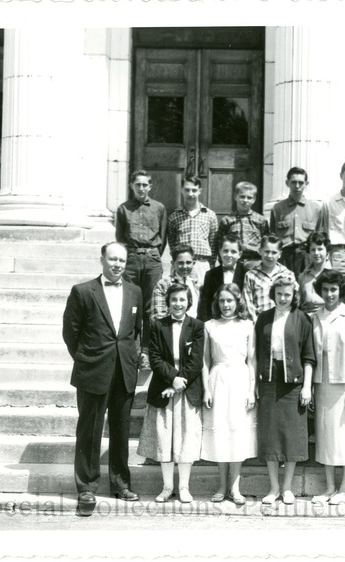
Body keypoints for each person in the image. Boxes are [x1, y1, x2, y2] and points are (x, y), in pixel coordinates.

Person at [62, 242, 143, 516]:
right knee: (90, 431)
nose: (117, 264)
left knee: (120, 432)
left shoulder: (135, 291)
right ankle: (86, 487)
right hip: (93, 370)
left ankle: (121, 483)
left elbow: (136, 331)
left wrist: (132, 358)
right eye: (112, 259)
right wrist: (86, 358)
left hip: (124, 371)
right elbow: (70, 333)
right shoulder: (83, 291)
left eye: (122, 260)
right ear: (102, 260)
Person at [137, 283, 205, 503]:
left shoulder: (196, 326)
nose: (178, 304)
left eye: (182, 300)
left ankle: (184, 487)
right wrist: (172, 379)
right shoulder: (158, 325)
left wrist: (179, 381)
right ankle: (167, 487)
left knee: (186, 439)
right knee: (165, 439)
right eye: (174, 299)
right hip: (163, 388)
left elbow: (196, 361)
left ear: (189, 302)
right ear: (168, 302)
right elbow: (155, 358)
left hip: (187, 390)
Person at [254, 277, 315, 505]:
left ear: (294, 295)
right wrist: (255, 386)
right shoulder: (264, 318)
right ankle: (273, 487)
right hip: (269, 380)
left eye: (287, 294)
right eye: (279, 294)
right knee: (270, 436)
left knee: (291, 436)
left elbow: (309, 356)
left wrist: (307, 386)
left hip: (293, 382)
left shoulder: (302, 319)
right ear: (273, 294)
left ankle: (287, 487)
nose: (283, 298)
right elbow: (256, 353)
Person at [311, 269, 345, 505]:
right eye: (325, 290)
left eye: (333, 289)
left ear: (340, 291)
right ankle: (330, 487)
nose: (330, 294)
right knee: (326, 437)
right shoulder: (315, 316)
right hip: (322, 384)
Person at [201, 283, 257, 506]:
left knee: (237, 433)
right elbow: (206, 359)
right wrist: (206, 388)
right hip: (218, 380)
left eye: (230, 301)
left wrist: (252, 390)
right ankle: (222, 485)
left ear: (237, 302)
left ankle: (235, 488)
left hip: (240, 380)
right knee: (221, 434)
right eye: (222, 301)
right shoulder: (210, 326)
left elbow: (252, 360)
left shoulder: (247, 325)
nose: (226, 305)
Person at [115, 170, 167, 369]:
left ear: (150, 186)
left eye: (145, 185)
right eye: (138, 185)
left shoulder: (159, 208)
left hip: (152, 259)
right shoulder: (123, 209)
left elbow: (163, 237)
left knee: (150, 306)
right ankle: (131, 350)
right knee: (130, 305)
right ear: (131, 186)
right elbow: (120, 238)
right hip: (131, 259)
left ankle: (146, 351)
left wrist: (152, 255)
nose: (142, 188)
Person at [270, 166, 323, 277]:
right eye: (293, 182)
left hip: (306, 257)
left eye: (301, 182)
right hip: (284, 256)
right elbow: (273, 236)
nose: (297, 186)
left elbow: (318, 237)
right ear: (287, 183)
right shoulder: (277, 208)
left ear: (306, 184)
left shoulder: (315, 209)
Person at [167, 174, 219, 285]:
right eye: (187, 190)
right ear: (181, 190)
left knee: (202, 297)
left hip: (201, 263)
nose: (191, 194)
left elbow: (214, 243)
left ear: (199, 191)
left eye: (194, 190)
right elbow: (172, 244)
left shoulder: (210, 215)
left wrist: (210, 264)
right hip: (181, 264)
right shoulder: (174, 217)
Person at [216, 181, 269, 271]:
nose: (245, 200)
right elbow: (219, 243)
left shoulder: (261, 220)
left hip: (254, 260)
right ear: (235, 197)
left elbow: (265, 242)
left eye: (249, 198)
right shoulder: (227, 220)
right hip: (233, 260)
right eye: (242, 197)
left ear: (254, 199)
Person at [242, 235, 294, 322]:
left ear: (280, 254)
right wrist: (256, 324)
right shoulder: (251, 275)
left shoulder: (288, 275)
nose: (270, 256)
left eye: (274, 252)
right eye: (266, 251)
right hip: (259, 322)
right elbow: (248, 304)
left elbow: (294, 302)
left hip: (283, 321)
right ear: (260, 251)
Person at [197, 234, 247, 322]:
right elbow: (205, 302)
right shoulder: (211, 274)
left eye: (233, 252)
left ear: (240, 254)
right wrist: (206, 323)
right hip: (216, 321)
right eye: (225, 251)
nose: (229, 255)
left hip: (239, 321)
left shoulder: (246, 273)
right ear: (219, 252)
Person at [151, 245, 200, 322]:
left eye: (188, 262)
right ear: (173, 263)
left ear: (193, 263)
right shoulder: (163, 284)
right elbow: (158, 317)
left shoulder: (196, 284)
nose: (185, 266)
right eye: (180, 263)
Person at [297, 231, 332, 315]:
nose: (316, 253)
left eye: (320, 249)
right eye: (313, 250)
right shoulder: (303, 277)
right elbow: (299, 303)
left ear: (327, 252)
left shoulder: (334, 276)